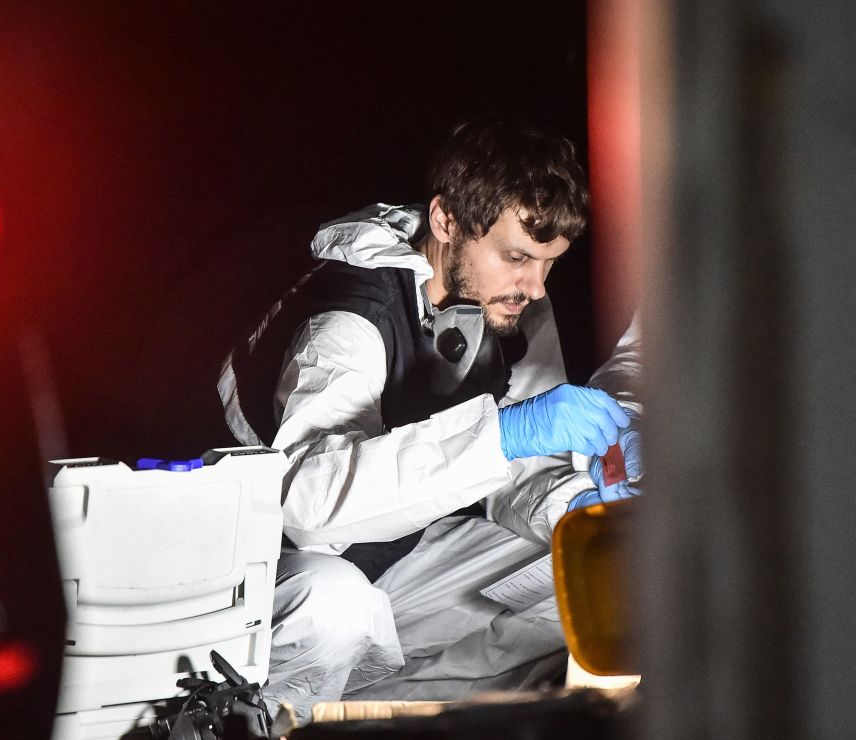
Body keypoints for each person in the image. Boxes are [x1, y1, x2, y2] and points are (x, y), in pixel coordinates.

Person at [218, 120, 639, 723]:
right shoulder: (350, 314)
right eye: (517, 257)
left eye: (549, 263)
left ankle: (404, 719)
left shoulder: (505, 306)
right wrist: (507, 431)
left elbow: (512, 472)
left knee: (582, 565)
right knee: (333, 603)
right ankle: (271, 724)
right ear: (446, 222)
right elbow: (310, 509)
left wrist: (572, 504)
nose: (535, 287)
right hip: (264, 581)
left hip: (388, 560)